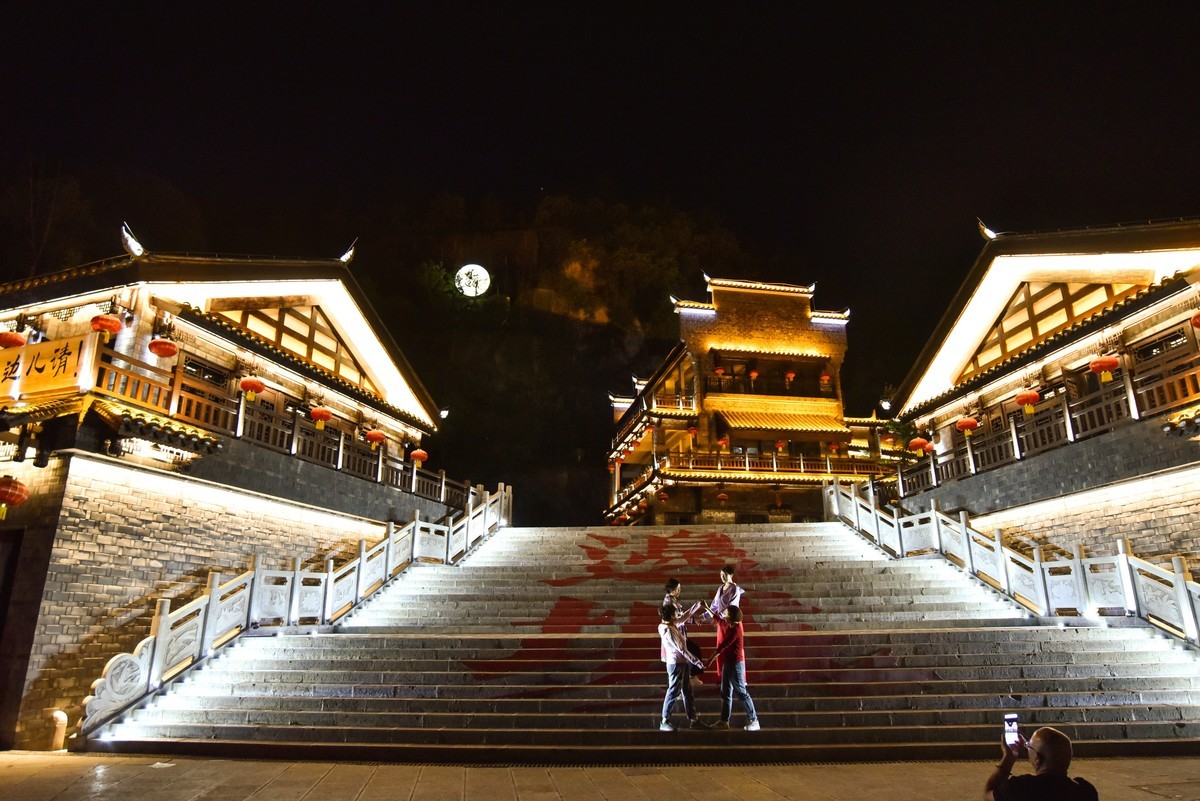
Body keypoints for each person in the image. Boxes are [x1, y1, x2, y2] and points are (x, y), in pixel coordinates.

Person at [985, 725, 1098, 800]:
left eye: (1029, 746)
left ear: (1038, 759)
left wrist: (1008, 758)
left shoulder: (1021, 787)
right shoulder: (1086, 791)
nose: (1026, 747)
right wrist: (1033, 753)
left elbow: (988, 794)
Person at [705, 604, 759, 731]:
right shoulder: (730, 624)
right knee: (725, 692)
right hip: (728, 662)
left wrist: (710, 660)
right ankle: (724, 721)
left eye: (726, 614)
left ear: (731, 618)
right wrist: (706, 608)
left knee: (741, 691)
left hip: (736, 664)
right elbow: (718, 620)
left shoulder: (736, 629)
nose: (724, 615)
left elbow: (724, 645)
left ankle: (754, 720)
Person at [658, 603, 707, 731]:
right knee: (673, 691)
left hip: (681, 663)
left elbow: (685, 617)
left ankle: (693, 719)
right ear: (671, 616)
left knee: (687, 691)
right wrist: (696, 662)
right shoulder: (669, 630)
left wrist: (697, 605)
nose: (678, 614)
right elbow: (682, 650)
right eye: (676, 613)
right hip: (676, 664)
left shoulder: (671, 625)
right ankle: (664, 720)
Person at [663, 578, 706, 682]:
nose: (679, 591)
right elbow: (679, 619)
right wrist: (695, 609)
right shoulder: (669, 603)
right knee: (686, 653)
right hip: (675, 634)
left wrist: (693, 618)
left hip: (679, 633)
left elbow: (681, 617)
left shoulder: (672, 601)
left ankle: (691, 678)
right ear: (671, 589)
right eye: (677, 589)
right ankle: (691, 677)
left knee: (689, 653)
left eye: (679, 589)